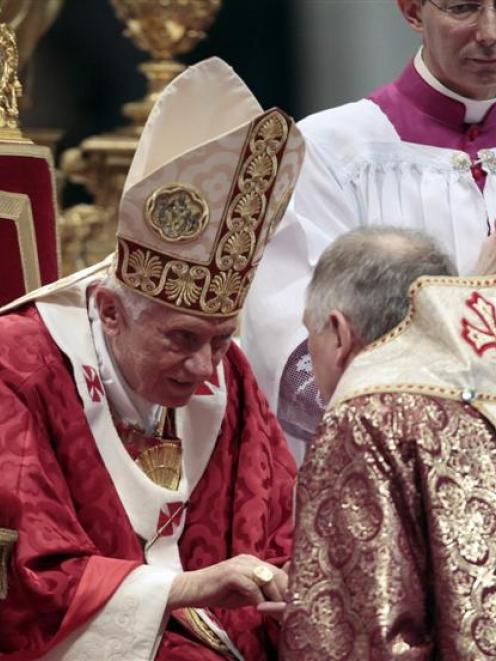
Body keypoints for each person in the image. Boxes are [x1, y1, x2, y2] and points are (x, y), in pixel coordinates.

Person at [0, 57, 305, 660]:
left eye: (222, 338)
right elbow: (20, 572)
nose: (206, 369)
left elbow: (281, 529)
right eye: (182, 339)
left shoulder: (228, 377)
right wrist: (185, 588)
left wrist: (297, 586)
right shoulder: (20, 364)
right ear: (110, 310)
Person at [242, 0, 496, 465]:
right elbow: (304, 368)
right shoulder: (328, 153)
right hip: (393, 476)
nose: (490, 32)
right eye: (464, 8)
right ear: (413, 9)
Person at [280, 225, 496, 658]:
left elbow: (363, 634)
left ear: (339, 333)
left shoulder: (361, 418)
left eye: (313, 333)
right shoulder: (481, 386)